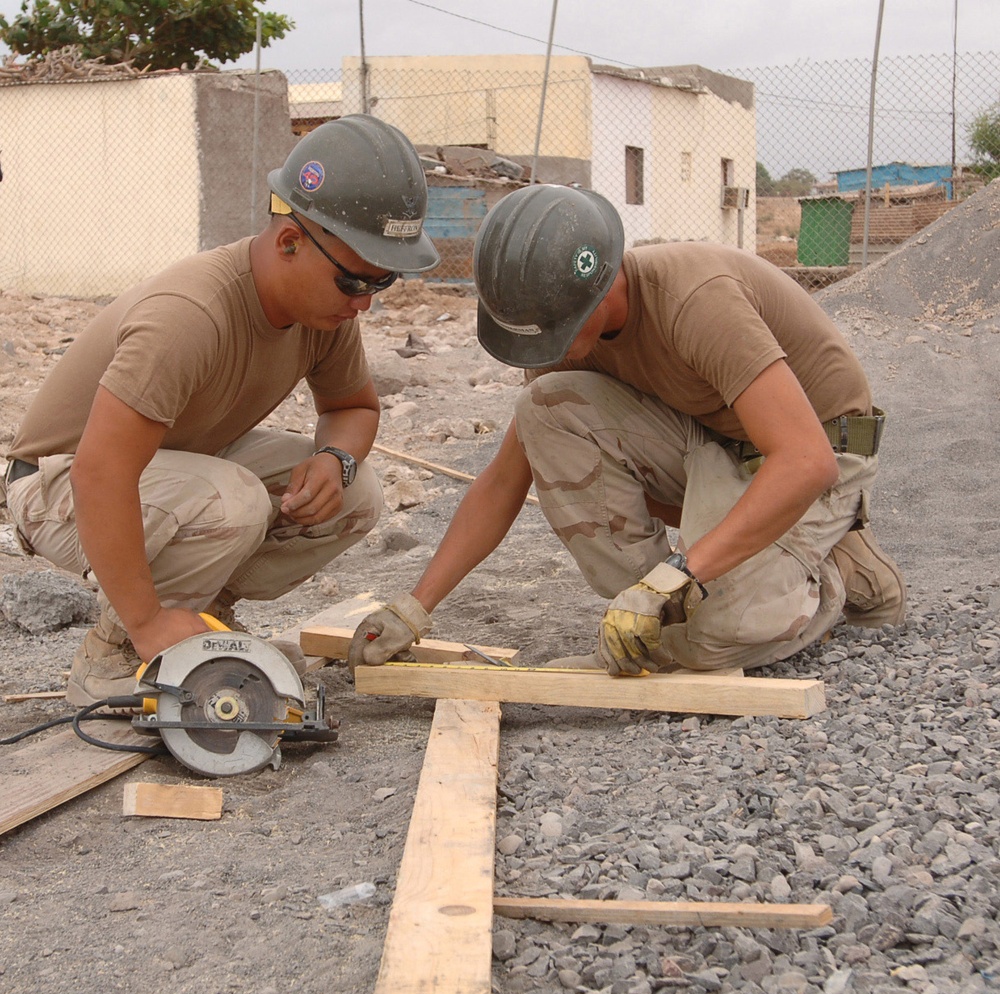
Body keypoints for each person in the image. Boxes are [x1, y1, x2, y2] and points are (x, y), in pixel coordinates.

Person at [349, 183, 905, 677]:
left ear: (605, 281)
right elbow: (503, 481)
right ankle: (668, 614)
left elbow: (806, 460)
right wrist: (416, 606)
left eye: (557, 331)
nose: (551, 349)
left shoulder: (697, 301)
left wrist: (682, 572)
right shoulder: (559, 331)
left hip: (813, 452)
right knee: (543, 406)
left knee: (715, 640)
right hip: (711, 444)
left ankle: (832, 572)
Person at [1, 114, 439, 706]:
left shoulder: (325, 311)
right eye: (357, 283)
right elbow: (100, 471)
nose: (364, 303)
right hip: (57, 485)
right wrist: (147, 621)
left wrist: (336, 458)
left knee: (357, 494)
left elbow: (353, 406)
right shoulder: (190, 315)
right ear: (289, 243)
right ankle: (116, 653)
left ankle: (201, 619)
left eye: (381, 285)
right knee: (233, 499)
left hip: (170, 468)